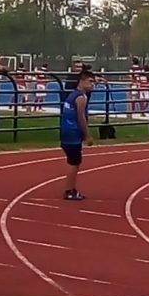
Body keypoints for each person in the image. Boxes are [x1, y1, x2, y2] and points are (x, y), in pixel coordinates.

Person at [59, 70, 96, 201]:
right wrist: (87, 135)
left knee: (73, 161)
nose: (93, 85)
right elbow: (81, 117)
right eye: (90, 81)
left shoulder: (72, 95)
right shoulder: (81, 97)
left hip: (66, 131)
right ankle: (69, 190)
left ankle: (71, 189)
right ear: (81, 81)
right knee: (74, 162)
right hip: (73, 132)